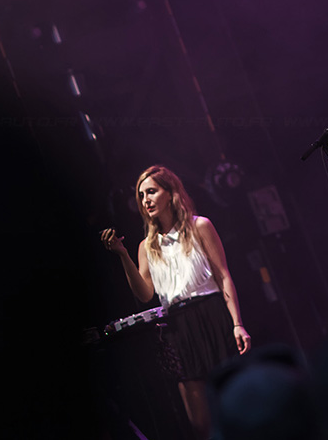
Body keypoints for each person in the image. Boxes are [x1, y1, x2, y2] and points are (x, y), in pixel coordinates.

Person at [101, 164, 251, 440]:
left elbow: (223, 276)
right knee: (200, 422)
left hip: (212, 315)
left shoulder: (200, 226)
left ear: (170, 194)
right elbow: (145, 294)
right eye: (141, 195)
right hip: (178, 328)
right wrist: (122, 254)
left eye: (151, 192)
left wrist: (237, 323)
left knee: (235, 403)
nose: (145, 200)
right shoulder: (146, 246)